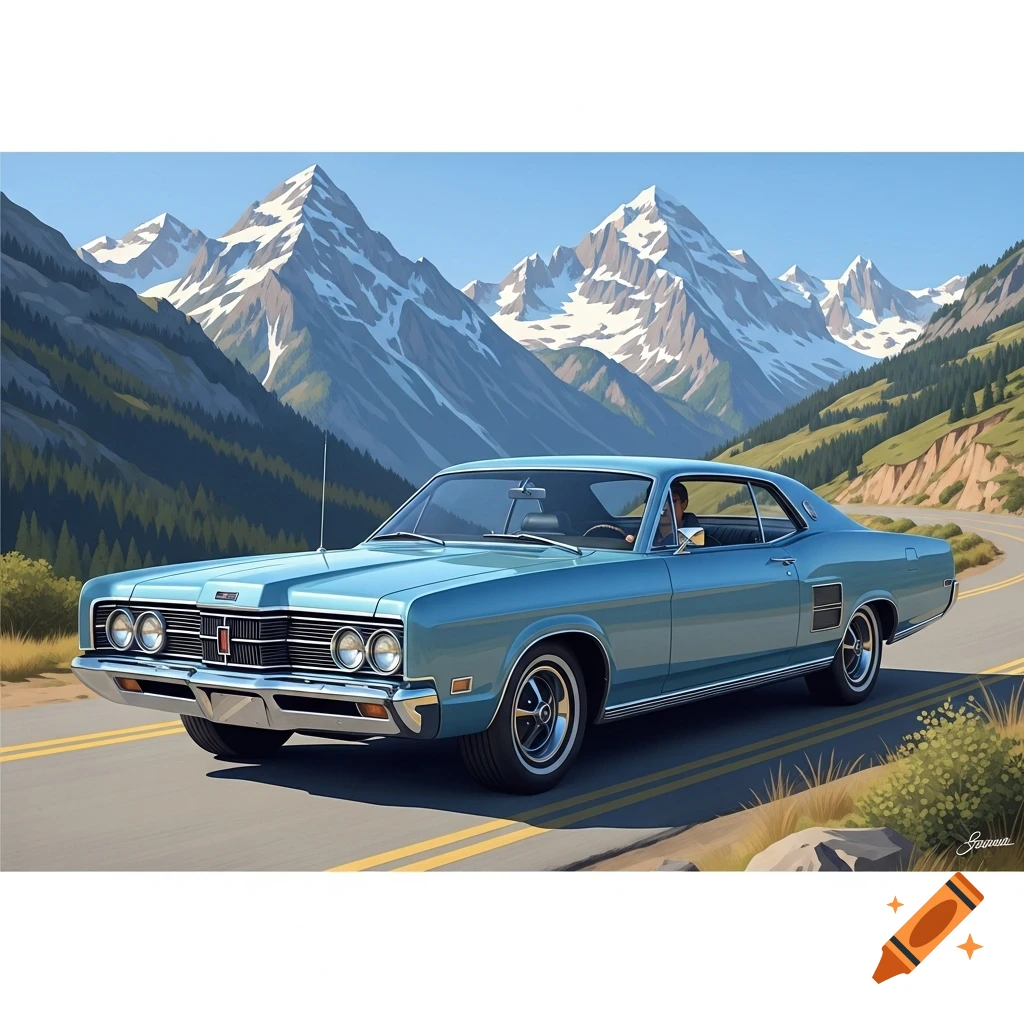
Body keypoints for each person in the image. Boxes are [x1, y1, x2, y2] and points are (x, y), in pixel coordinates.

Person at [626, 481, 694, 545]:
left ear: (683, 505)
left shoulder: (691, 538)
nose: (664, 507)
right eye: (659, 502)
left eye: (673, 501)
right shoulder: (645, 536)